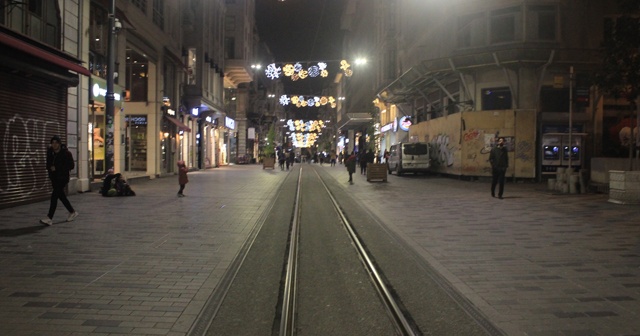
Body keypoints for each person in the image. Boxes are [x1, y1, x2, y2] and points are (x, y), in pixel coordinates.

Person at [40, 135, 78, 226]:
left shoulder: (66, 153)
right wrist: (50, 168)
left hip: (63, 178)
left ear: (59, 144)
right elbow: (48, 165)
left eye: (56, 142)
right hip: (54, 178)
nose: (54, 144)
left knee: (54, 196)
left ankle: (49, 218)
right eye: (52, 143)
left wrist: (57, 168)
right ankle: (72, 212)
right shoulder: (50, 153)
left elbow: (71, 166)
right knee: (61, 196)